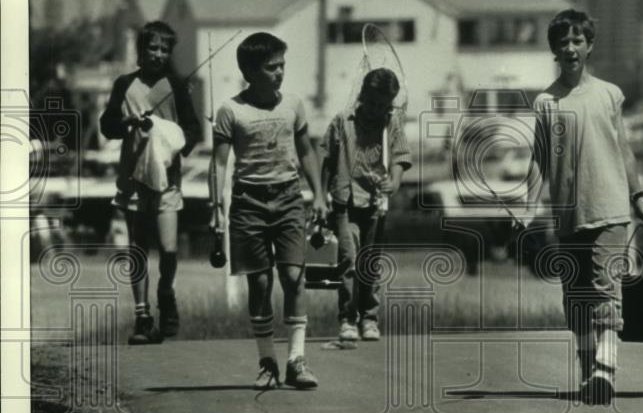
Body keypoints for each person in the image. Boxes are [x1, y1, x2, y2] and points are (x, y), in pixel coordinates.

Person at [528, 9, 643, 406]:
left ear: (589, 46)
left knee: (607, 290)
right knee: (577, 298)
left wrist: (640, 200)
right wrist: (527, 206)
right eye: (563, 42)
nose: (570, 48)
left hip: (610, 207)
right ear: (554, 49)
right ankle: (590, 371)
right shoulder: (545, 102)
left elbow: (624, 150)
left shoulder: (608, 94)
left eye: (577, 41)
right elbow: (538, 160)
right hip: (569, 214)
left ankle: (605, 369)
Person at [212, 32, 328, 389]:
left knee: (294, 277)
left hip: (289, 198)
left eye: (282, 66)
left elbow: (307, 151)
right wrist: (216, 209)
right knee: (260, 284)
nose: (279, 73)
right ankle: (267, 362)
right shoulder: (231, 110)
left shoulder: (293, 104)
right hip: (249, 203)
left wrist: (318, 195)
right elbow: (219, 165)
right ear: (250, 71)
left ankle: (297, 360)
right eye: (271, 67)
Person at [100, 21, 201, 345]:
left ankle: (165, 291)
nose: (157, 54)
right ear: (141, 50)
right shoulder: (124, 84)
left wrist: (170, 141)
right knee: (139, 247)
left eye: (164, 49)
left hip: (167, 179)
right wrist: (127, 123)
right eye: (152, 48)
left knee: (169, 249)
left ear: (169, 53)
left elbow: (192, 130)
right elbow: (107, 125)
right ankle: (142, 316)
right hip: (133, 178)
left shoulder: (175, 85)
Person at [321, 68, 411, 343]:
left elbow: (399, 156)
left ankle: (369, 317)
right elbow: (326, 157)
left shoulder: (391, 124)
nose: (375, 110)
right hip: (345, 200)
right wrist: (320, 197)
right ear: (362, 95)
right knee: (348, 259)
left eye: (382, 105)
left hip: (375, 203)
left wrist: (393, 182)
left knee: (370, 262)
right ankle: (347, 318)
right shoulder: (342, 121)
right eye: (371, 103)